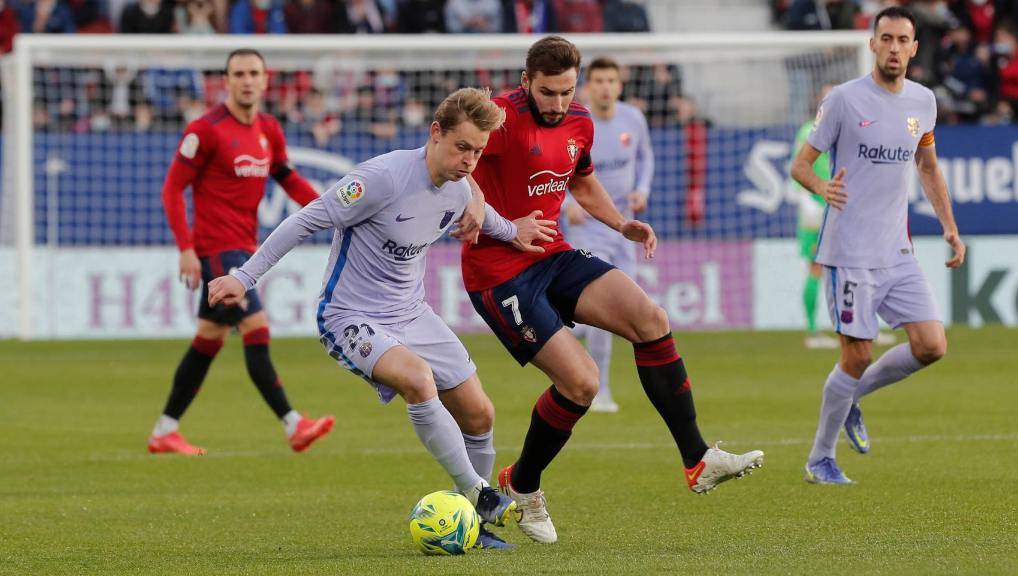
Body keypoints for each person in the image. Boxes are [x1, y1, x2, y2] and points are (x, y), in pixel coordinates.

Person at [208, 87, 558, 549]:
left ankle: (476, 525)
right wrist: (244, 277)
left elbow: (483, 213)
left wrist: (514, 231)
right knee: (417, 378)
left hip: (411, 313)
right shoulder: (382, 178)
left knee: (479, 414)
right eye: (462, 148)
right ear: (435, 134)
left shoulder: (459, 188)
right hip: (348, 315)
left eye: (478, 150)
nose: (471, 161)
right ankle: (478, 493)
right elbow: (304, 220)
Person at [463, 36, 765, 544]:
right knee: (582, 384)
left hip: (553, 255)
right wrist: (494, 219)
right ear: (525, 83)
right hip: (500, 273)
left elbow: (580, 181)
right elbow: (460, 167)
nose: (559, 104)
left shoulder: (580, 121)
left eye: (566, 92)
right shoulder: (497, 117)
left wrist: (620, 223)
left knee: (651, 319)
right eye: (547, 93)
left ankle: (698, 460)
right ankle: (524, 484)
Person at [791, 6, 966, 485]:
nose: (893, 47)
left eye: (902, 40)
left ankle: (852, 399)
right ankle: (819, 459)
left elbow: (927, 166)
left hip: (897, 249)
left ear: (914, 47)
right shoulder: (846, 100)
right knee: (858, 354)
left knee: (931, 345)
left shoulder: (923, 102)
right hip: (849, 252)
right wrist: (820, 187)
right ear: (872, 43)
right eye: (884, 38)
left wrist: (950, 225)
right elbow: (801, 165)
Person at [150, 48, 334, 456]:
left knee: (209, 339)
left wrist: (333, 209)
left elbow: (287, 177)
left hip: (245, 248)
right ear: (227, 81)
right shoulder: (206, 129)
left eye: (254, 73)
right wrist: (185, 249)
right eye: (239, 73)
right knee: (257, 328)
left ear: (266, 79)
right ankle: (293, 424)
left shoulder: (269, 128)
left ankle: (165, 430)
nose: (247, 80)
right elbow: (172, 188)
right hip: (217, 250)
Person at [563, 56, 653, 412]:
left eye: (610, 80)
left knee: (623, 306)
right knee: (606, 305)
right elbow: (557, 168)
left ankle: (567, 336)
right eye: (598, 80)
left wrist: (642, 189)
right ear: (588, 86)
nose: (604, 87)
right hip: (588, 226)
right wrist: (566, 202)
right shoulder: (577, 123)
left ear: (620, 84)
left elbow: (646, 157)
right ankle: (600, 391)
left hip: (626, 227)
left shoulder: (634, 118)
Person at [791, 83, 839, 350]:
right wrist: (806, 200)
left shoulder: (846, 129)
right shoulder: (808, 130)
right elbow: (798, 166)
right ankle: (811, 331)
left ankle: (858, 328)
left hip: (841, 207)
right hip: (816, 209)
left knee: (853, 268)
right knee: (816, 267)